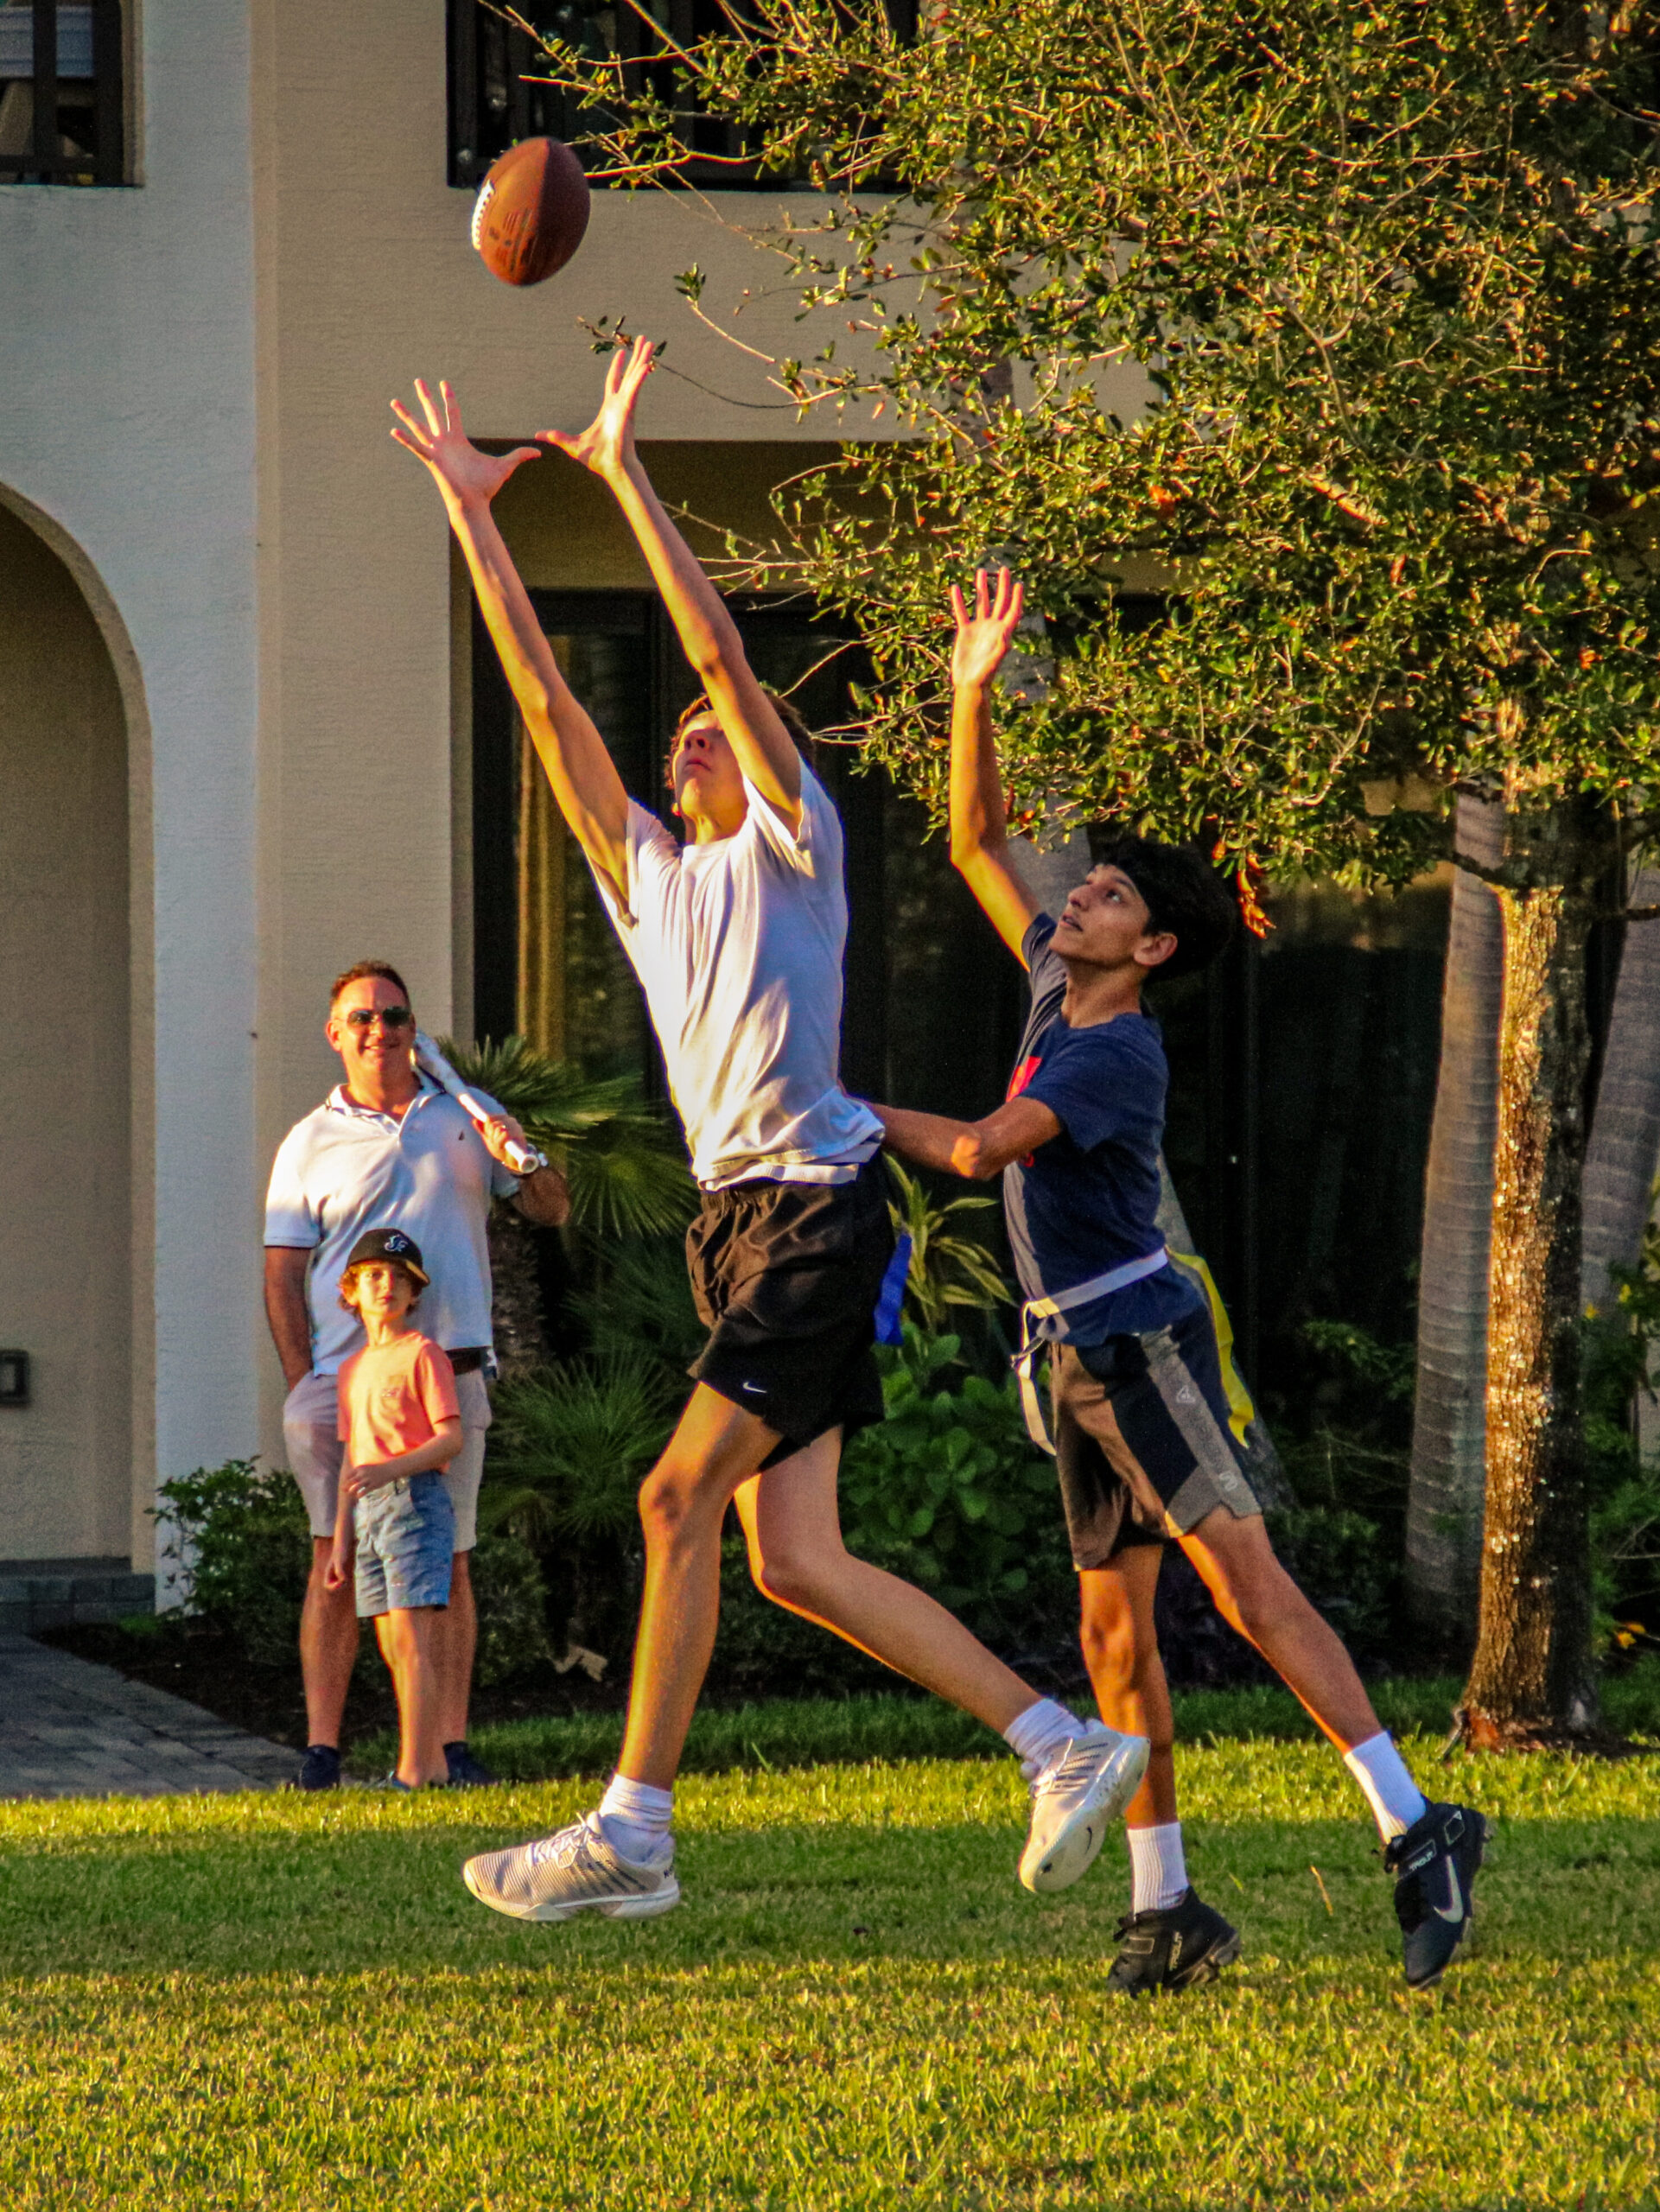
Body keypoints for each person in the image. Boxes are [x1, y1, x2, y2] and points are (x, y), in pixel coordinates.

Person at [391, 340, 1148, 1925]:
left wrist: (624, 476)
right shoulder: (647, 877)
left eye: (711, 732)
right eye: (673, 735)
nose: (688, 737)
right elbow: (539, 694)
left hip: (814, 1210)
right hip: (738, 1224)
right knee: (792, 1559)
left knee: (673, 1502)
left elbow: (725, 655)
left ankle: (633, 1832)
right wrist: (470, 513)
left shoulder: (797, 850)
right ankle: (1059, 1740)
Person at [868, 569, 1488, 1994]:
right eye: (1083, 886)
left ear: (1148, 949)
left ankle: (1417, 1823)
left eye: (1105, 897)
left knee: (1250, 1588)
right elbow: (972, 836)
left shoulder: (1114, 1052)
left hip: (1140, 1349)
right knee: (1110, 1627)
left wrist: (835, 1111)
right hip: (1067, 1363)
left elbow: (976, 1149)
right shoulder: (1053, 983)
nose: (1076, 895)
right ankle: (1168, 1908)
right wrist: (969, 690)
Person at [264, 960, 569, 1789]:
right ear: (335, 1034)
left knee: (448, 1561)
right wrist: (302, 1380)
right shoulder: (309, 1141)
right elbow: (282, 1273)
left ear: (413, 1028)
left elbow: (550, 1207)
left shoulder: (465, 1116)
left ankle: (447, 1748)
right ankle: (322, 1750)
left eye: (394, 1017)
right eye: (361, 1018)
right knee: (334, 1558)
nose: (380, 1031)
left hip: (449, 1378)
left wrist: (522, 1152)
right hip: (343, 1384)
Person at [325, 1230, 464, 1789]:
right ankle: (430, 1766)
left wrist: (390, 1469)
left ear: (414, 1295)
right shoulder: (351, 1370)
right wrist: (341, 1539)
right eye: (374, 1276)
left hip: (414, 1503)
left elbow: (450, 1439)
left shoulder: (423, 1355)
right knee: (391, 1647)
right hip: (368, 1515)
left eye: (400, 1279)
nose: (387, 1286)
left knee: (412, 1643)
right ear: (351, 1292)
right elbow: (351, 1459)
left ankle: (414, 1770)